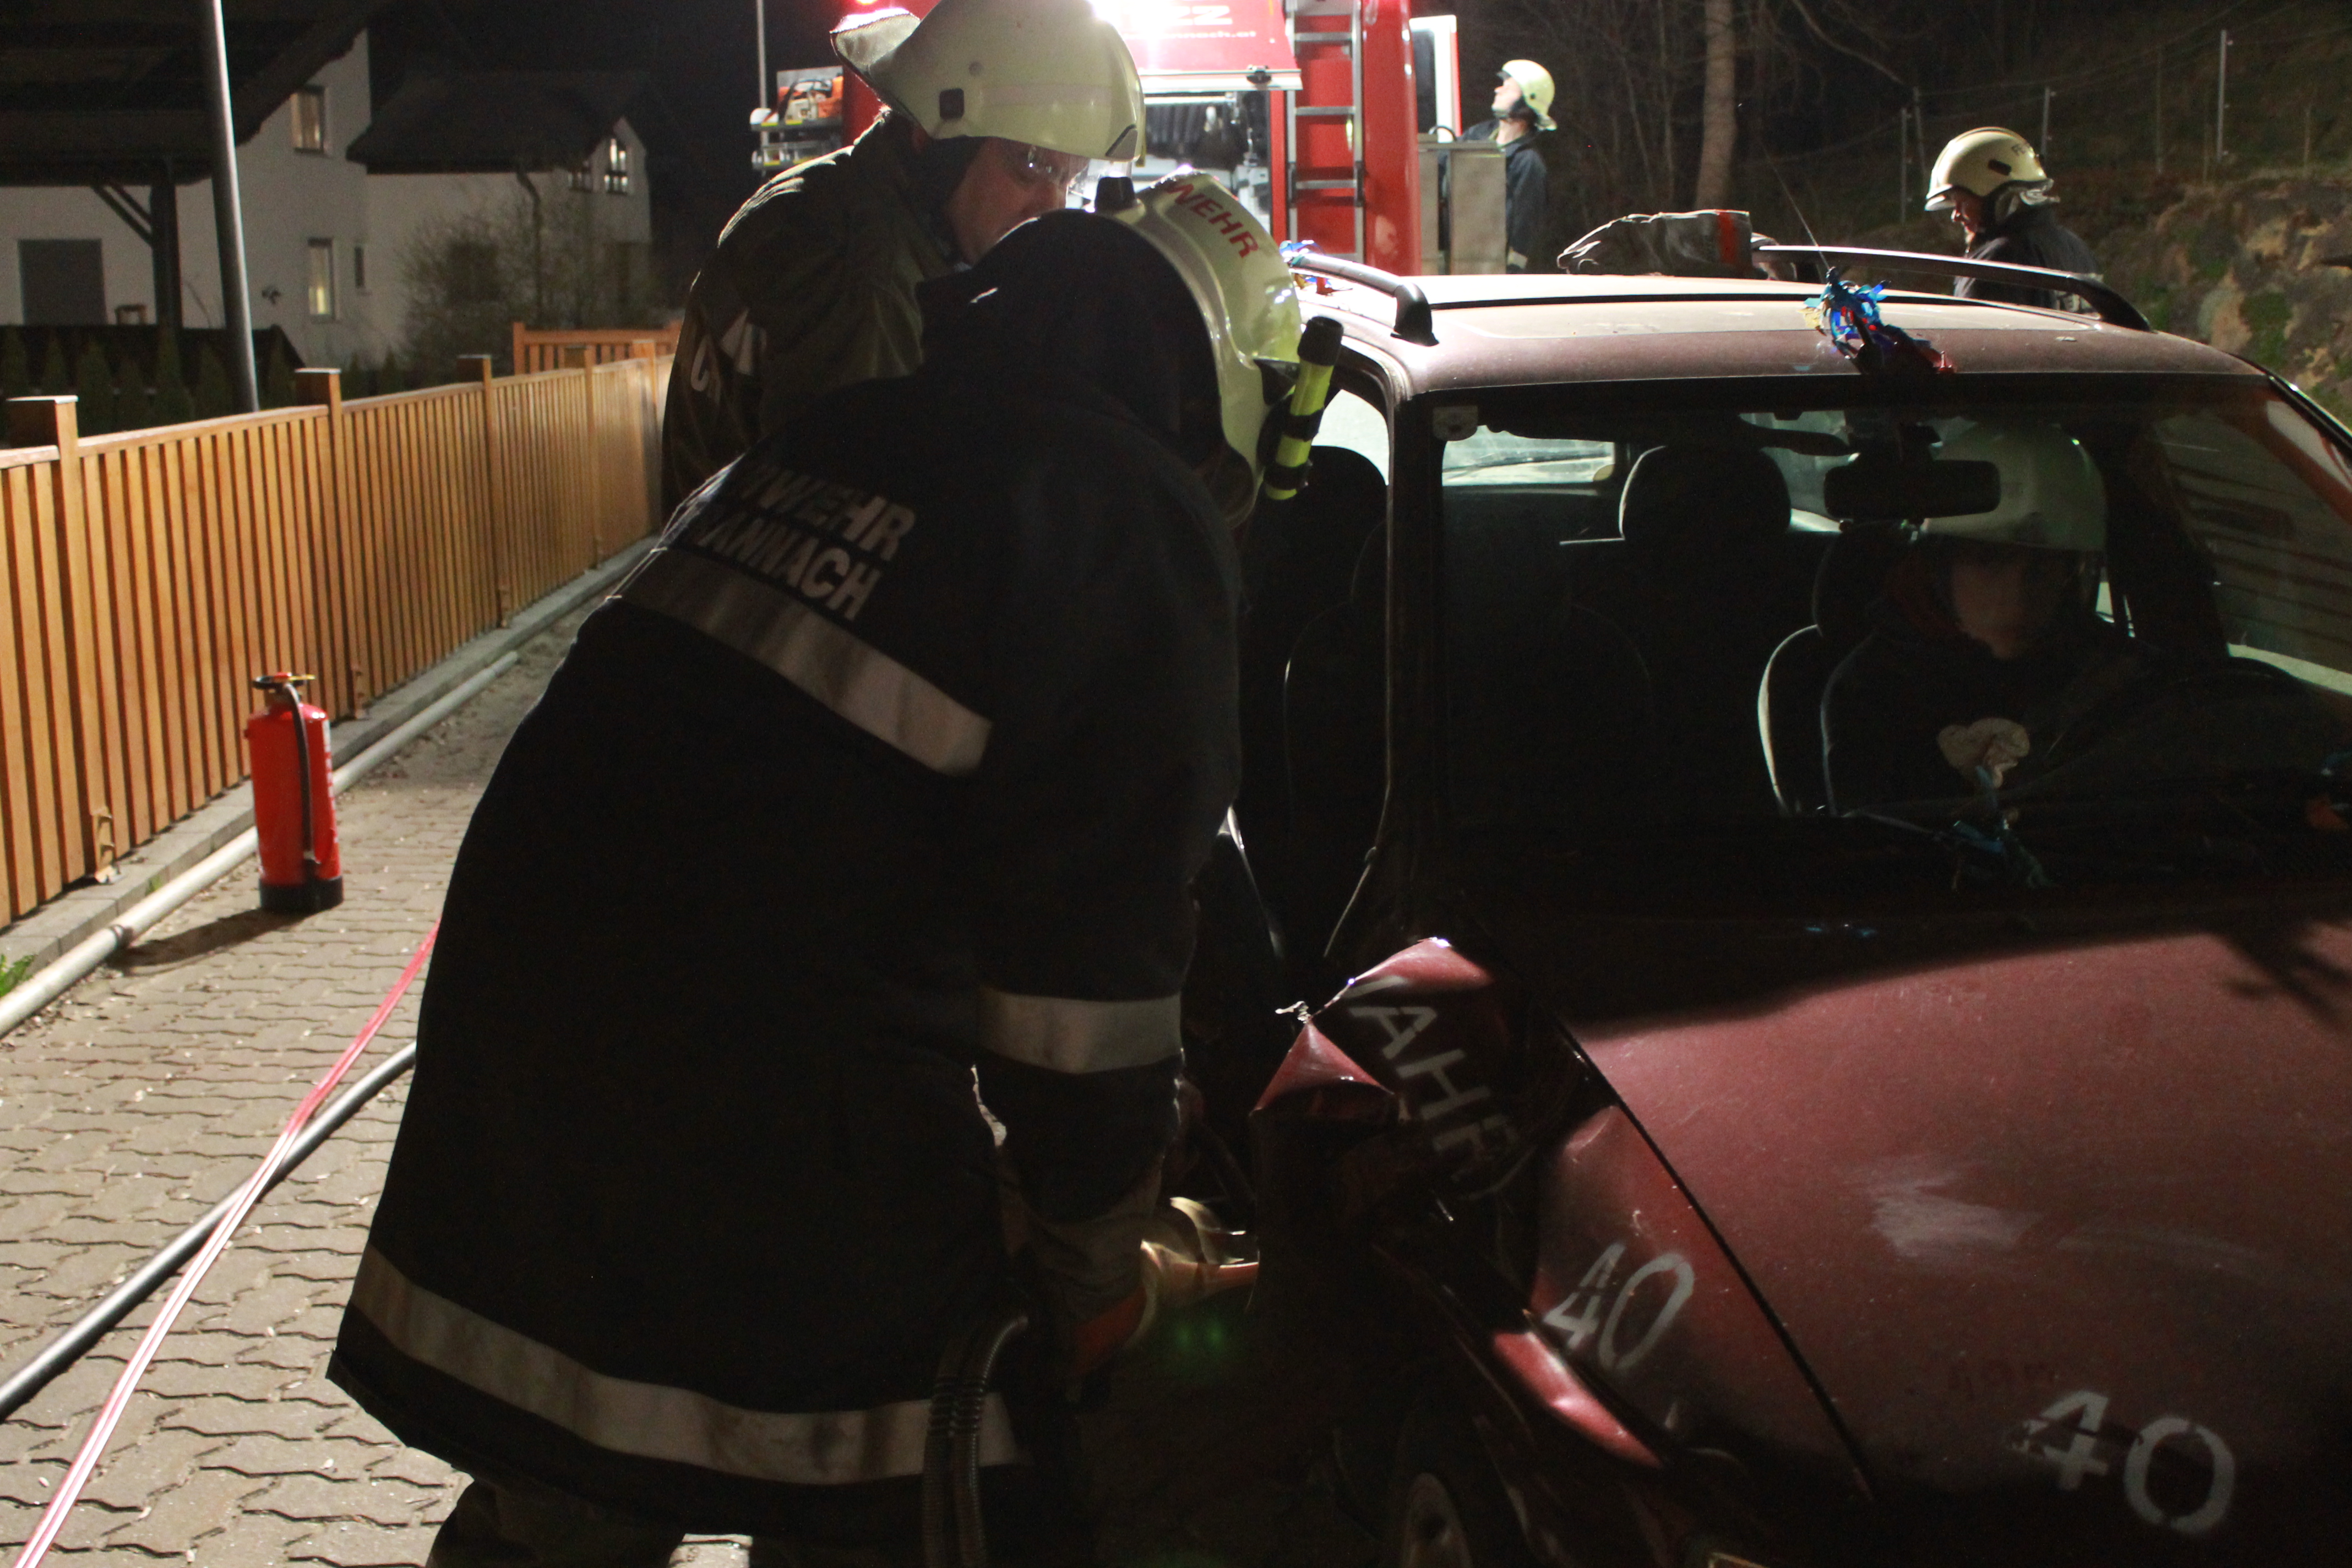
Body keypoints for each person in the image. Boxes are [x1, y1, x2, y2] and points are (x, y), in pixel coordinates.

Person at [328, 175, 1302, 1566]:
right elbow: (1084, 982)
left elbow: (833, 814)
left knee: (575, 1472)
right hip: (748, 1091)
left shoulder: (844, 436)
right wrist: (1095, 1258)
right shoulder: (1127, 517)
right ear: (1228, 391)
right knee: (909, 1468)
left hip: (520, 1046)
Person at [659, 0, 1145, 509]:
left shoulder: (844, 196)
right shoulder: (867, 282)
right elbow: (868, 520)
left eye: (1069, 179)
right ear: (938, 141)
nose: (1052, 207)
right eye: (1030, 164)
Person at [1822, 420, 2143, 810]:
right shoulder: (1873, 689)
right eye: (1989, 560)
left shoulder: (2119, 677)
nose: (2017, 593)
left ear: (2072, 574)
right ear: (1940, 565)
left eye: (2043, 566)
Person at [1926, 127, 2100, 312]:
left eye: (1962, 202)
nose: (1956, 216)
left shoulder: (1997, 262)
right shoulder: (2078, 249)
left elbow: (1971, 327)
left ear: (1997, 198)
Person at [1463, 61, 1553, 273]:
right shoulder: (1476, 135)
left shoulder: (1528, 163)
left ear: (1527, 101)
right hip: (1459, 256)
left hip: (1490, 268)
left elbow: (1524, 227)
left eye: (1509, 88)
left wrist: (1512, 271)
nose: (1498, 90)